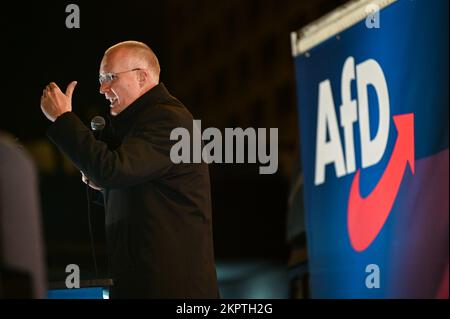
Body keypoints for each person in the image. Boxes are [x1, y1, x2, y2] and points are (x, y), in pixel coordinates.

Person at [40, 41, 219, 298]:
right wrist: (103, 185)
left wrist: (63, 119)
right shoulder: (138, 125)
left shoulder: (169, 120)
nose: (102, 88)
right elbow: (131, 186)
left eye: (110, 77)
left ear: (142, 77)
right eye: (101, 79)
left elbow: (113, 170)